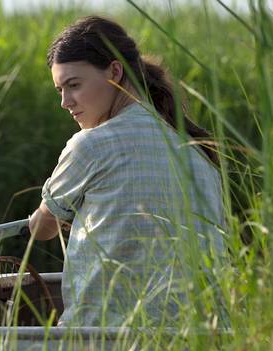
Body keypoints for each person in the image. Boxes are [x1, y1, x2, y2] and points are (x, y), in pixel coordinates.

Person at [28, 15, 226, 327]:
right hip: (203, 336)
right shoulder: (196, 151)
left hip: (106, 338)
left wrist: (44, 219)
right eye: (59, 90)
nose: (65, 102)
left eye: (74, 85)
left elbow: (41, 229)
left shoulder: (90, 145)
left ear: (115, 72)